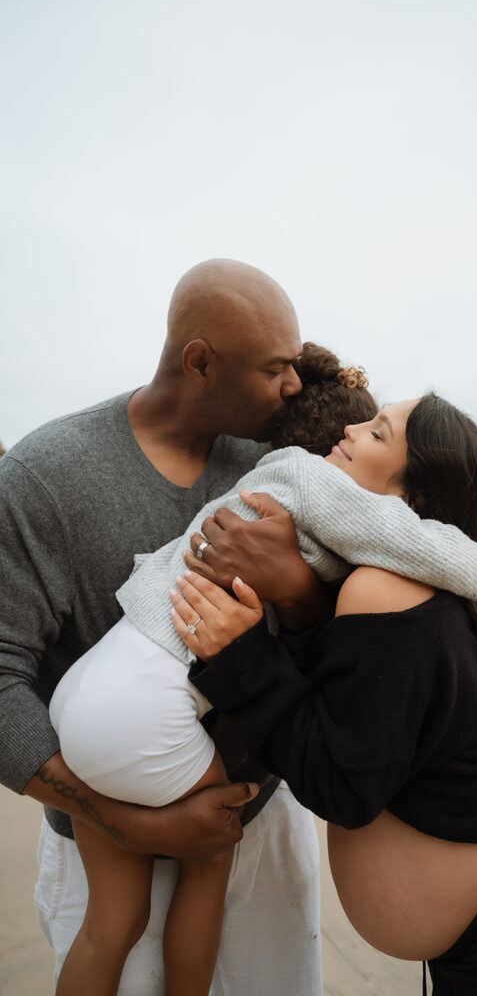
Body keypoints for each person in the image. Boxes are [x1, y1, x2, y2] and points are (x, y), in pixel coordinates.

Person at [49, 343, 477, 996]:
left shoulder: (276, 474)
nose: (352, 431)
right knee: (212, 850)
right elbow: (475, 572)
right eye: (365, 423)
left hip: (91, 686)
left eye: (376, 432)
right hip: (137, 712)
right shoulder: (318, 483)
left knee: (110, 923)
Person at [174, 393, 477, 996]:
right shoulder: (400, 585)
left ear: (410, 497)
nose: (349, 427)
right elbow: (359, 707)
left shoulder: (382, 587)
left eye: (377, 432)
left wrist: (240, 656)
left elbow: (342, 786)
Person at [0, 259, 334, 996]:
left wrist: (300, 587)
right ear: (200, 361)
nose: (292, 388)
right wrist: (123, 821)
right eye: (275, 368)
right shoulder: (43, 477)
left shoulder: (280, 464)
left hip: (261, 819)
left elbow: (329, 633)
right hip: (105, 840)